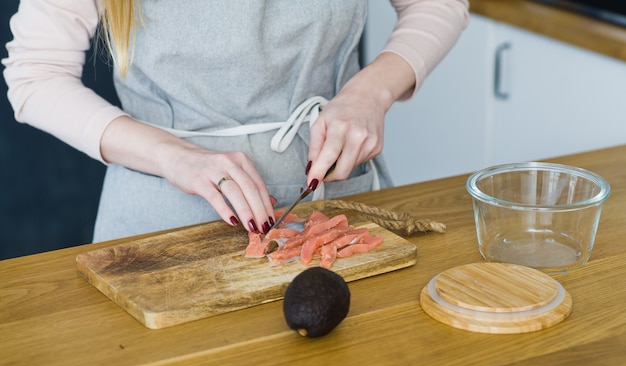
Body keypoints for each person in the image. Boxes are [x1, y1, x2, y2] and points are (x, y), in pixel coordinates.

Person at [3, 0, 469, 242]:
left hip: (337, 201)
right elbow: (35, 76)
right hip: (158, 216)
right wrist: (174, 156)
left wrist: (373, 91)